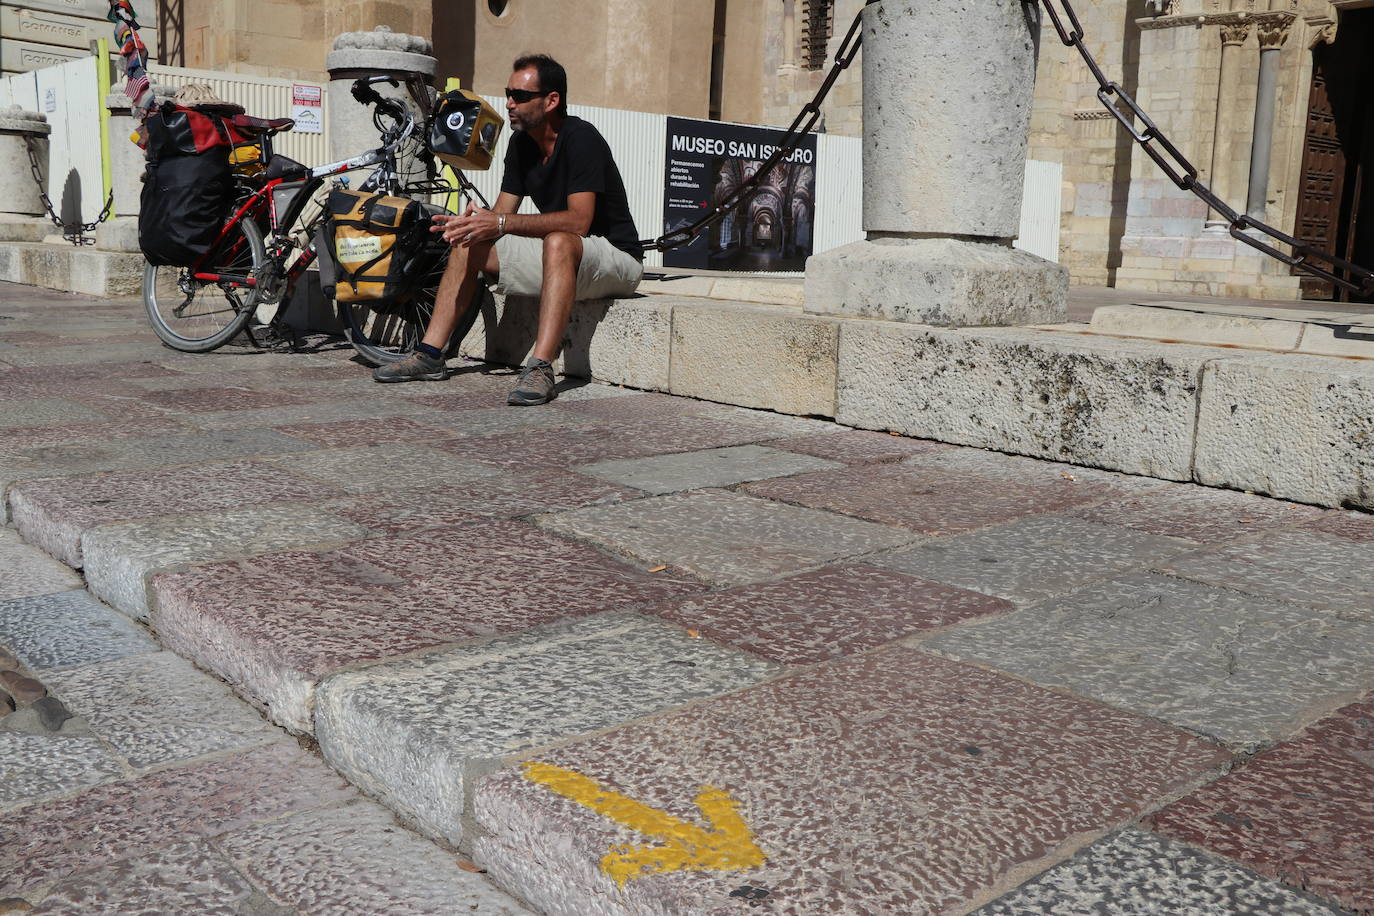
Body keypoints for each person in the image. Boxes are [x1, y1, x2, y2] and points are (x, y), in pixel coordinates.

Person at [374, 53, 644, 405]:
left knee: (560, 240)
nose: (509, 103)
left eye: (520, 96)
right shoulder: (521, 144)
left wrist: (499, 222)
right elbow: (503, 214)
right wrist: (472, 222)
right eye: (508, 93)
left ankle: (541, 367)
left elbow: (580, 221)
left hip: (616, 259)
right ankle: (430, 353)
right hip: (566, 258)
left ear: (551, 101)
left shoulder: (581, 139)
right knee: (469, 242)